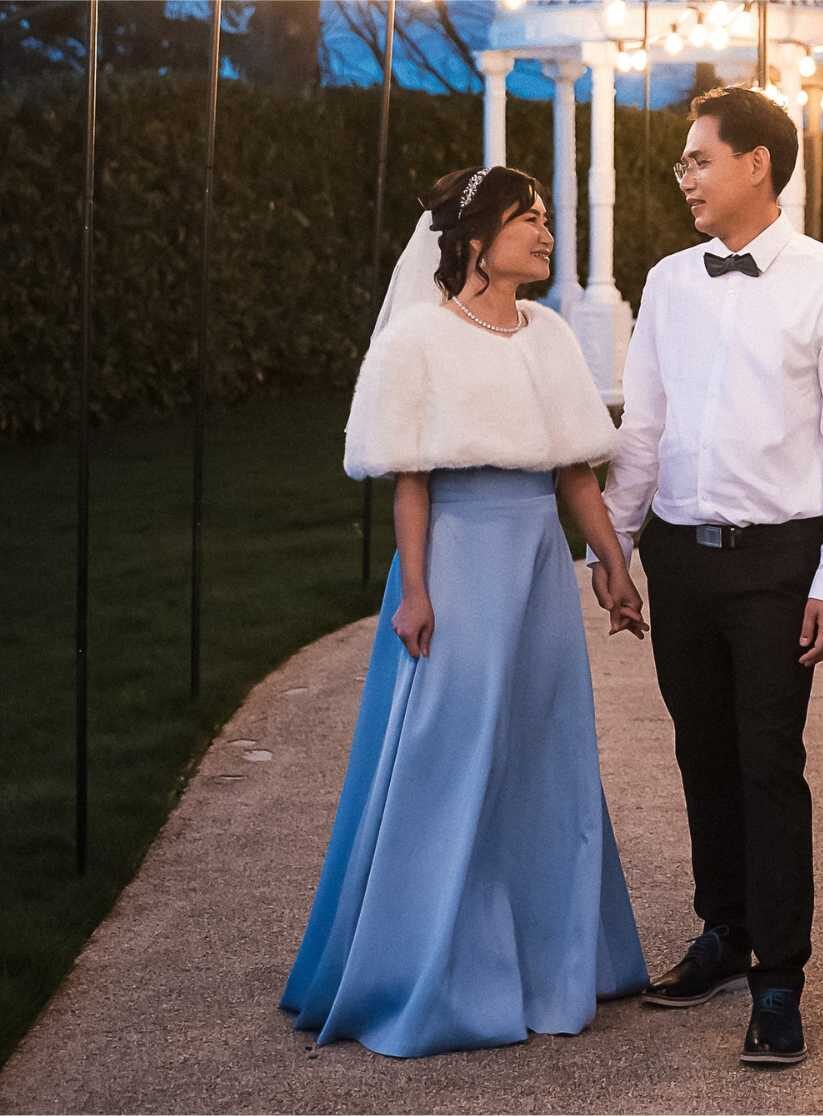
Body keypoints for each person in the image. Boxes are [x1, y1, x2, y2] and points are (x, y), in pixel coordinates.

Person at [279, 165, 652, 1058]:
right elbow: (411, 479)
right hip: (458, 562)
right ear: (476, 239)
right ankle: (429, 969)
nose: (545, 234)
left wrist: (614, 567)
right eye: (527, 220)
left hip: (535, 565)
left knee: (544, 748)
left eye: (546, 220)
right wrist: (414, 591)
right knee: (451, 756)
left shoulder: (552, 334)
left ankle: (549, 963)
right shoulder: (419, 340)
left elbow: (575, 470)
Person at [588, 86, 823, 1067]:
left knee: (769, 763)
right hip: (678, 553)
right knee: (700, 752)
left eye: (698, 158)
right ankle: (724, 933)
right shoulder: (669, 281)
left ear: (757, 162)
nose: (685, 176)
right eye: (683, 161)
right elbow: (645, 428)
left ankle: (781, 980)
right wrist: (615, 549)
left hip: (776, 562)